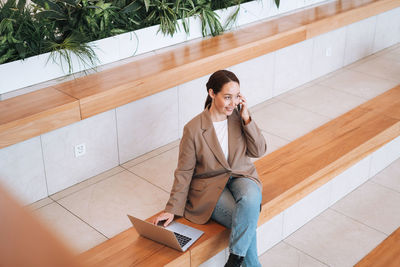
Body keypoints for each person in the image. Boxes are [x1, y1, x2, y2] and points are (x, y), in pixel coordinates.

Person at [153, 70, 267, 267]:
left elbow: (259, 150)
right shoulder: (194, 129)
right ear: (212, 93)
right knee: (244, 218)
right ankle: (243, 262)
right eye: (227, 97)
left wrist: (247, 118)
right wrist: (172, 208)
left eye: (237, 96)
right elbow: (184, 171)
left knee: (251, 198)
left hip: (241, 175)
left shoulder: (239, 116)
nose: (233, 103)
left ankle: (234, 260)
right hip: (210, 186)